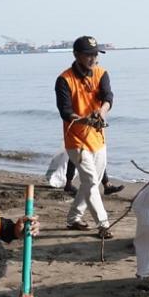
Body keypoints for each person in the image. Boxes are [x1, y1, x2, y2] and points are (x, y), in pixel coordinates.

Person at [55, 36, 120, 239]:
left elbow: (108, 96)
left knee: (90, 182)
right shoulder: (64, 80)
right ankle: (103, 225)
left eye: (95, 54)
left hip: (98, 139)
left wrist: (102, 111)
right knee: (91, 181)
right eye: (88, 55)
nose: (93, 58)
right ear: (76, 55)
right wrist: (85, 120)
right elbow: (65, 112)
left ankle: (73, 218)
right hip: (76, 140)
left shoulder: (101, 73)